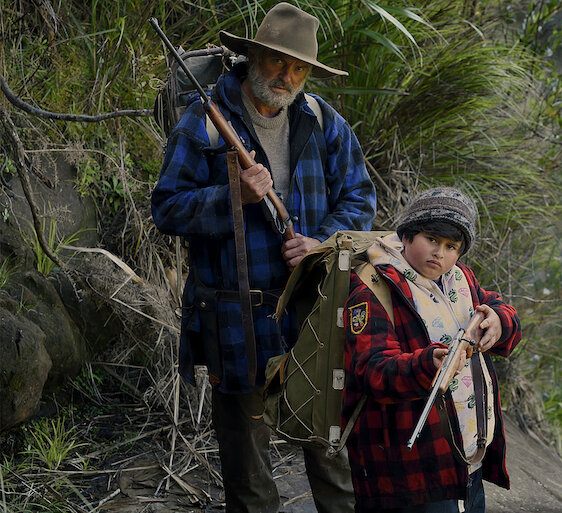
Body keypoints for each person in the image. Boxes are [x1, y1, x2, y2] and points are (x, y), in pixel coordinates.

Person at [150, 3, 376, 512]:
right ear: (252, 56)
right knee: (248, 473)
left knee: (333, 456)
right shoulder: (204, 121)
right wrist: (233, 195)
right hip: (235, 318)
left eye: (298, 68)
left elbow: (360, 197)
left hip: (311, 312)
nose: (286, 76)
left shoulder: (321, 120)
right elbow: (166, 207)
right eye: (277, 61)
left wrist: (322, 243)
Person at [342, 187, 522, 512]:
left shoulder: (460, 278)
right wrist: (427, 364)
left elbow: (496, 306)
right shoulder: (373, 288)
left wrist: (499, 321)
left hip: (467, 460)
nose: (439, 253)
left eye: (451, 246)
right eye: (432, 239)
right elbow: (372, 370)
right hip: (410, 471)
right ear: (407, 234)